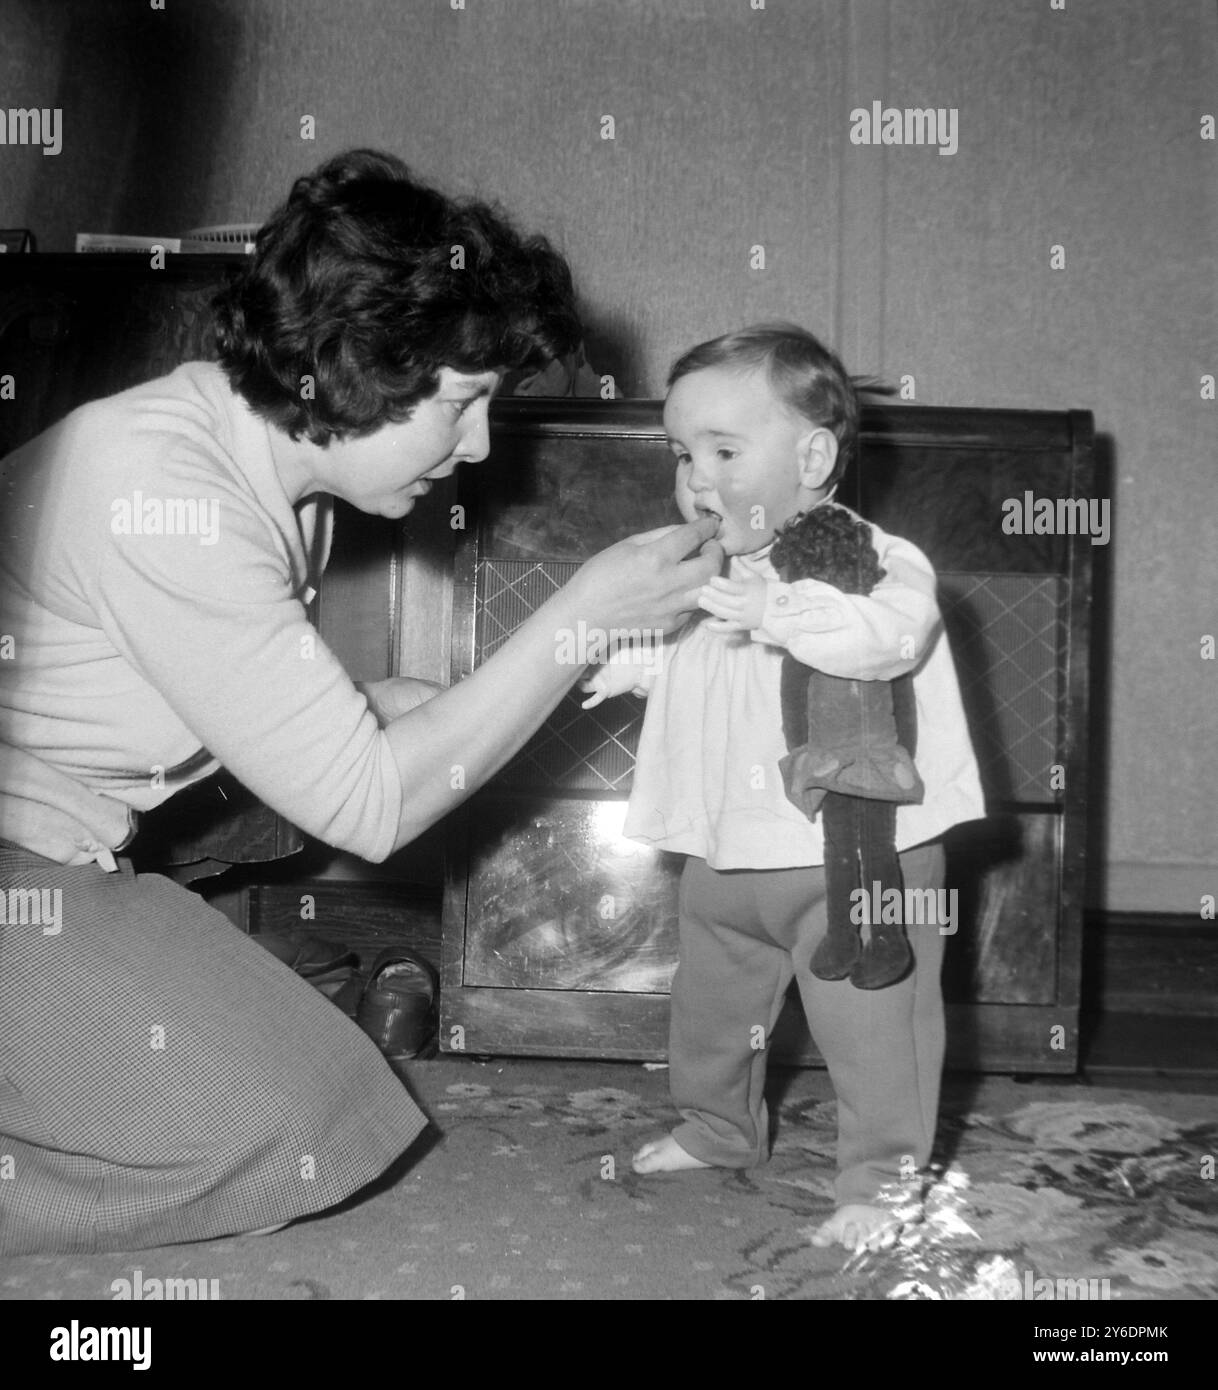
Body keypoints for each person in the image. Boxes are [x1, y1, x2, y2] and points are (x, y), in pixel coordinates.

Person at [0, 149, 721, 1255]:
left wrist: (395, 705)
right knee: (304, 1117)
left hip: (64, 826)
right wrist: (584, 615)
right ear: (362, 364)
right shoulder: (161, 485)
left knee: (288, 1042)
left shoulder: (276, 476)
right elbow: (371, 810)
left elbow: (248, 694)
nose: (480, 446)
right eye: (466, 403)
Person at [581, 323, 985, 1254]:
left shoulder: (879, 560)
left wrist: (780, 612)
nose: (695, 476)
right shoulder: (714, 569)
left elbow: (886, 639)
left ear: (813, 456)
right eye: (683, 454)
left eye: (724, 450)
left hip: (854, 849)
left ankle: (885, 1179)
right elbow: (704, 662)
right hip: (731, 849)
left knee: (876, 1018)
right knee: (713, 1005)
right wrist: (637, 661)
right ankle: (718, 1125)